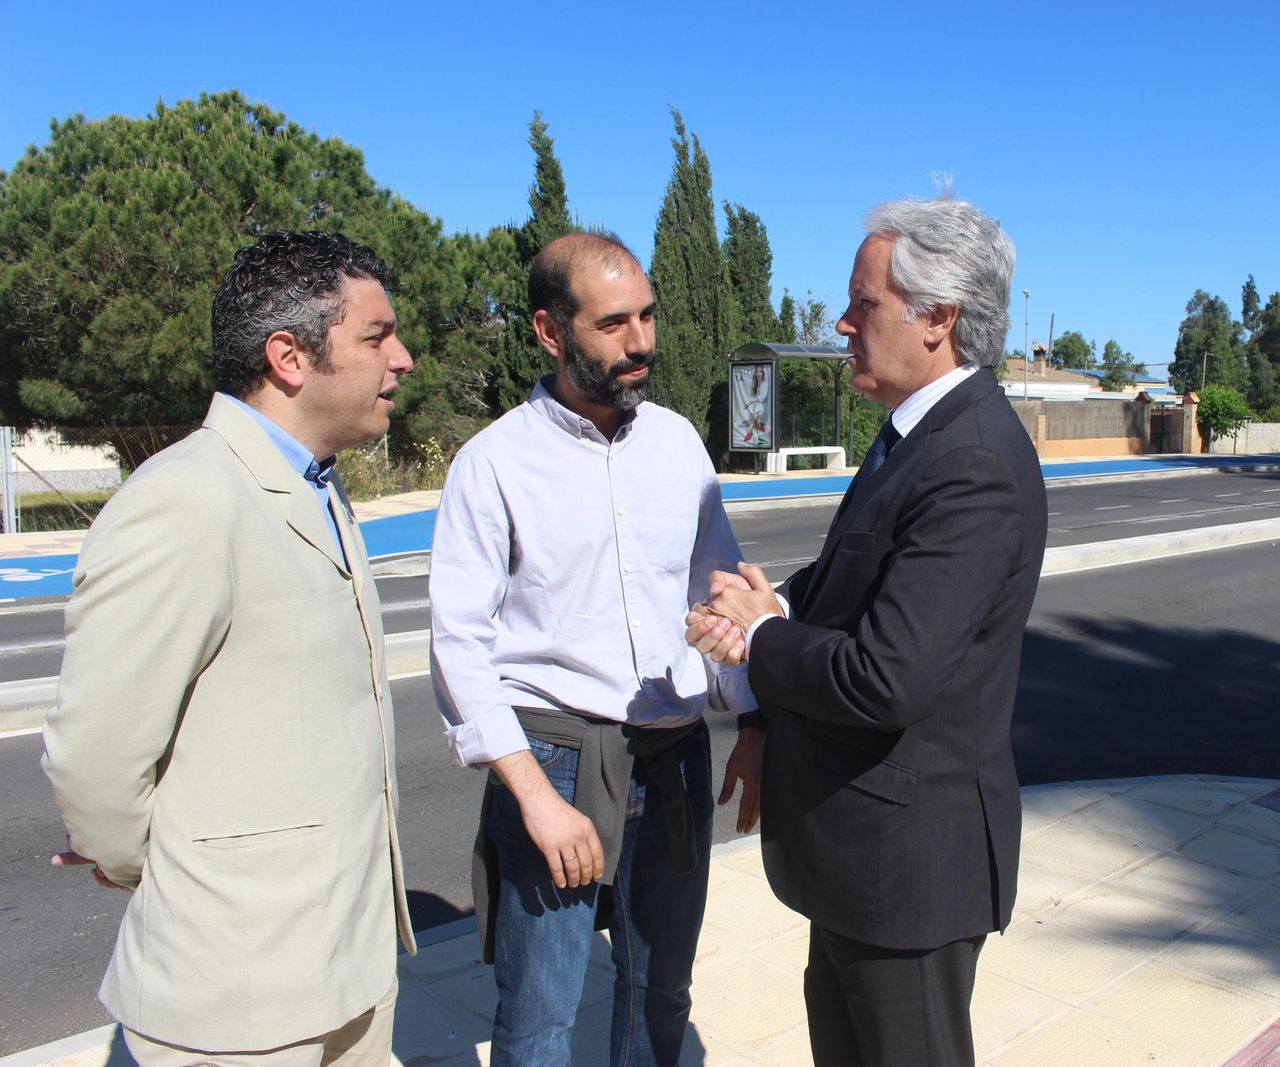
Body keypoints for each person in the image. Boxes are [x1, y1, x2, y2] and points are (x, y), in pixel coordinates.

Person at [42, 231, 417, 1066]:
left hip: (349, 974)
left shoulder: (319, 485)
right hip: (236, 1001)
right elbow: (95, 756)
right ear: (288, 355)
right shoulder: (185, 499)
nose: (404, 357)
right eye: (376, 336)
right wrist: (161, 865)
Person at [689, 195, 1047, 1067]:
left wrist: (765, 637)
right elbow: (850, 581)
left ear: (940, 319)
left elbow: (887, 675)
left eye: (865, 303)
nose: (842, 322)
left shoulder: (970, 462)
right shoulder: (912, 437)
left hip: (909, 872)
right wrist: (771, 606)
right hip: (865, 863)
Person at [428, 232, 763, 1066]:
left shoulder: (681, 444)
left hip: (673, 753)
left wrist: (752, 718)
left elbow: (718, 595)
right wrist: (533, 793)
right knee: (539, 1012)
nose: (641, 341)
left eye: (648, 315)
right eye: (613, 323)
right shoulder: (494, 463)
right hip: (555, 756)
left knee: (660, 995)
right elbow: (459, 644)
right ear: (550, 330)